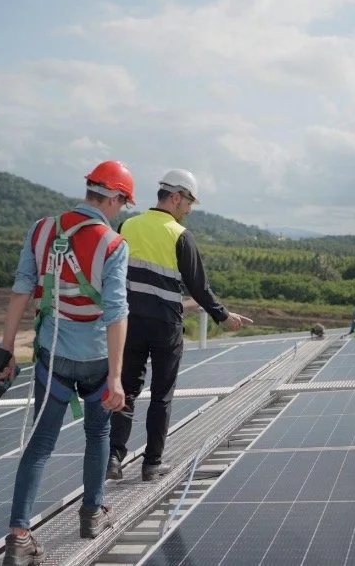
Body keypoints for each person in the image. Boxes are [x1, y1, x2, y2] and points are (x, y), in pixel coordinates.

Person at [0, 160, 134, 566]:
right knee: (98, 434)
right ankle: (92, 513)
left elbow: (22, 288)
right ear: (112, 197)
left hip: (51, 357)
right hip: (94, 358)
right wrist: (115, 377)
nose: (122, 209)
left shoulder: (41, 229)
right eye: (123, 201)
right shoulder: (113, 244)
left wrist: (7, 349)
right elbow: (116, 311)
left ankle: (19, 537)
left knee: (39, 446)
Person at [107, 168, 253, 482]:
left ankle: (113, 459)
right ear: (175, 197)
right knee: (162, 394)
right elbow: (198, 286)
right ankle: (151, 464)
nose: (188, 209)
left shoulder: (128, 225)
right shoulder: (180, 235)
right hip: (165, 326)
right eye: (187, 202)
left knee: (127, 391)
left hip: (128, 323)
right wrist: (223, 316)